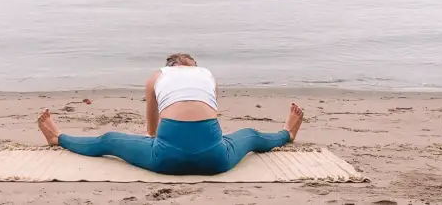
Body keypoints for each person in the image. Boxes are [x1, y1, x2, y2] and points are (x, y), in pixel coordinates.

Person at [37, 53, 303, 175]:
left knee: (108, 141)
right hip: (216, 160)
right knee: (251, 135)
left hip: (166, 160)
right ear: (193, 66)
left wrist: (151, 140)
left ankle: (58, 138)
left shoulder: (157, 77)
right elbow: (212, 116)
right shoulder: (207, 75)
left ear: (170, 66)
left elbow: (152, 131)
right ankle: (287, 133)